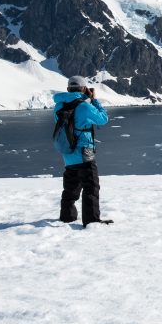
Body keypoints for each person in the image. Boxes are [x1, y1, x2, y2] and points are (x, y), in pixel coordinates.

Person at [54, 76, 112, 227]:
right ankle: (92, 220)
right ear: (83, 88)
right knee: (91, 186)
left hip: (68, 152)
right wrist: (93, 100)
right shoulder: (84, 106)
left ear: (68, 89)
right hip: (84, 151)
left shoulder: (58, 107)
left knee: (71, 187)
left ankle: (67, 217)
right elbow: (103, 118)